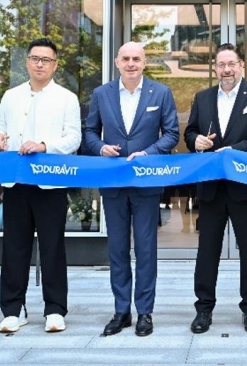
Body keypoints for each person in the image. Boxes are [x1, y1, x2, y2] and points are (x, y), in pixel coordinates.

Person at [83, 41, 179, 337]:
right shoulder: (101, 94)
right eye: (125, 58)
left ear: (144, 62)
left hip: (146, 182)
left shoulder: (160, 93)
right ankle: (121, 311)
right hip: (113, 182)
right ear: (117, 62)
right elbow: (89, 132)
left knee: (146, 250)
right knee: (117, 249)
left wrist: (149, 153)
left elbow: (172, 133)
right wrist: (100, 148)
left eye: (136, 58)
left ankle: (145, 312)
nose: (131, 63)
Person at [184, 43, 247, 334]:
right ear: (215, 68)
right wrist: (195, 140)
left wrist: (234, 151)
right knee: (207, 251)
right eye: (221, 65)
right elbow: (190, 132)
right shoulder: (202, 98)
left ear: (241, 66)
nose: (226, 70)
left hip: (246, 186)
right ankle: (203, 309)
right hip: (211, 188)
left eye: (231, 64)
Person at [0, 38, 81, 333]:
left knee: (53, 247)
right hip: (16, 182)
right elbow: (1, 127)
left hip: (50, 183)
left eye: (46, 60)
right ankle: (12, 309)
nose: (40, 64)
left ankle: (55, 309)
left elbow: (74, 138)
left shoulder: (66, 98)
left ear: (55, 65)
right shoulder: (11, 96)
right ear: (27, 62)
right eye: (35, 58)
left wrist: (44, 145)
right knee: (14, 247)